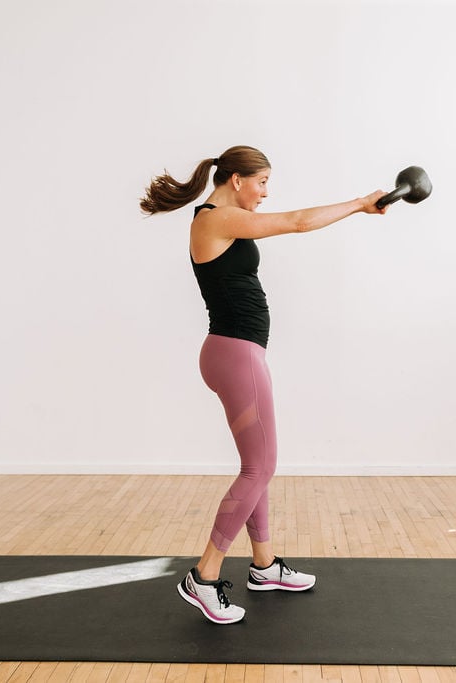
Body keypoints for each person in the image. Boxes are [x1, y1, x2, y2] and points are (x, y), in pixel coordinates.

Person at [139, 145, 387, 624]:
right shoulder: (216, 218)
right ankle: (204, 576)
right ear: (236, 179)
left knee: (258, 465)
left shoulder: (216, 217)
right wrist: (359, 204)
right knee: (261, 465)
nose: (265, 192)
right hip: (235, 355)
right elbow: (294, 222)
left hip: (234, 353)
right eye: (262, 182)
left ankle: (264, 565)